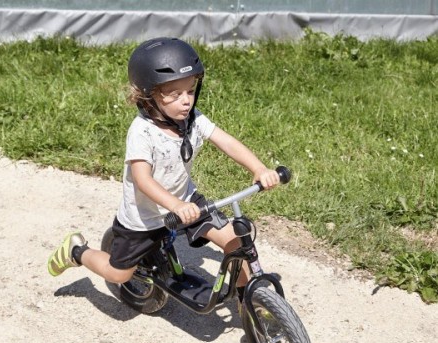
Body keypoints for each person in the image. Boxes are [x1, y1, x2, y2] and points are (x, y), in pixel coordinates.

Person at [47, 37, 280, 303]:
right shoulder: (142, 132)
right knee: (119, 273)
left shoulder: (193, 120)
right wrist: (175, 206)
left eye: (190, 91)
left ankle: (250, 303)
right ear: (148, 95)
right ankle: (77, 251)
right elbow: (142, 180)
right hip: (144, 216)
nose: (186, 102)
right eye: (175, 94)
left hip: (186, 201)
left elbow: (226, 141)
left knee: (234, 241)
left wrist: (259, 168)